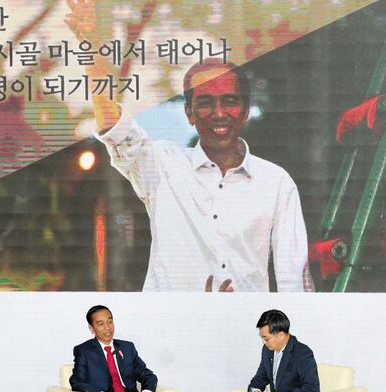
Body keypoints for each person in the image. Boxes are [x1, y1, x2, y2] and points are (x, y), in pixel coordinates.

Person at [65, 0, 313, 292]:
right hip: (169, 321)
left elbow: (294, 282)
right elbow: (114, 127)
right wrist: (93, 51)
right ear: (189, 113)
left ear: (245, 111)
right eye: (205, 102)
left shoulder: (276, 182)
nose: (218, 113)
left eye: (229, 101)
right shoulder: (162, 166)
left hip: (243, 321)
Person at [69, 305, 160, 392]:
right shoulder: (84, 351)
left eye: (110, 322)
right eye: (100, 324)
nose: (107, 328)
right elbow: (76, 381)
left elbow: (147, 375)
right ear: (91, 328)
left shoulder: (127, 347)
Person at [236, 310, 319, 392]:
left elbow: (312, 388)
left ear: (280, 335)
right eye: (261, 338)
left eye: (266, 338)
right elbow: (260, 378)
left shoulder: (302, 352)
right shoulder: (267, 350)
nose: (263, 342)